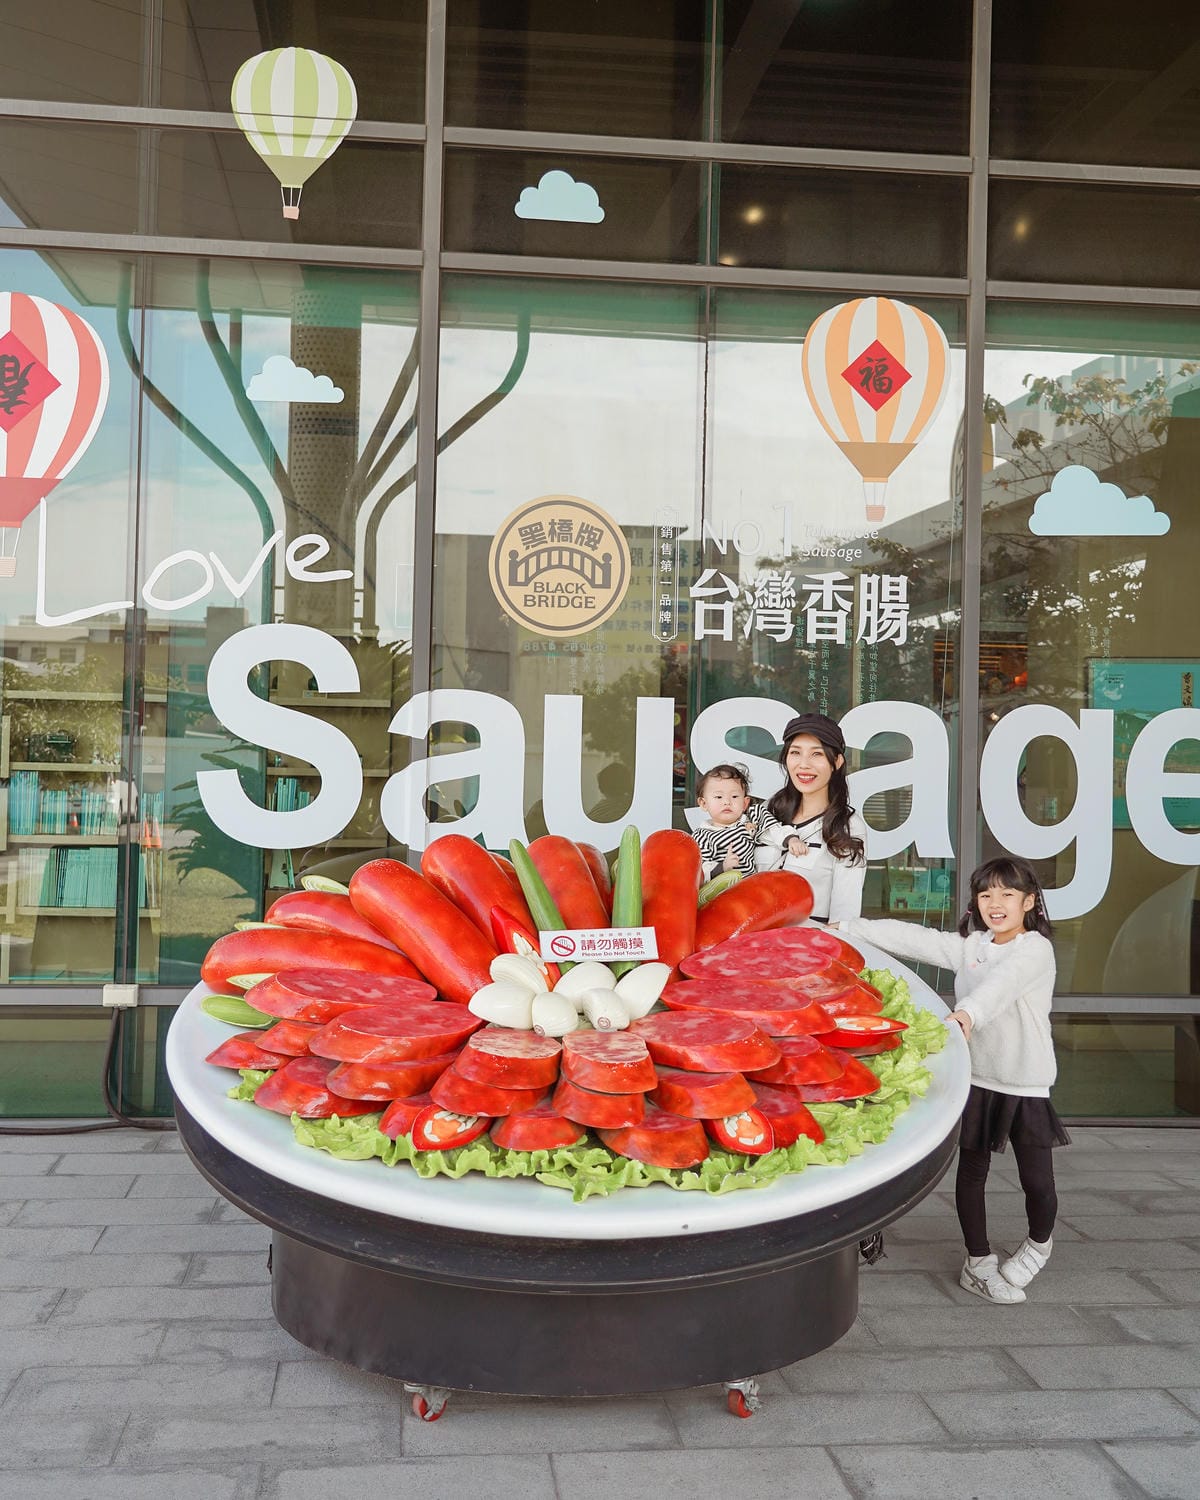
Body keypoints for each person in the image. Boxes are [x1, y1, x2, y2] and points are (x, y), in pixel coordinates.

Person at [833, 855, 1068, 1305]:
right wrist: (850, 927)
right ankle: (977, 1263)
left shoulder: (1035, 948)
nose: (995, 903)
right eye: (985, 895)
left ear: (1029, 901)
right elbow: (915, 938)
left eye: (1006, 894)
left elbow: (1002, 985)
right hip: (977, 1076)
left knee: (1037, 1181)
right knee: (972, 1174)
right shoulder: (973, 946)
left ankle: (1040, 1244)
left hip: (1025, 1081)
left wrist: (967, 1013)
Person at [756, 712, 867, 923]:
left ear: (837, 761)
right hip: (750, 946)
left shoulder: (848, 827)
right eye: (795, 752)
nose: (804, 764)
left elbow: (845, 914)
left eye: (816, 754)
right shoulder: (767, 811)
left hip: (805, 949)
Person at [691, 763, 760, 879]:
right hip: (722, 890)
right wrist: (722, 867)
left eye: (734, 796)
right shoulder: (703, 836)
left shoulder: (749, 822)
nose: (727, 802)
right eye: (719, 797)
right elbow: (701, 869)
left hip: (751, 885)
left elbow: (772, 831)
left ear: (745, 803)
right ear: (703, 803)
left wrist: (791, 839)